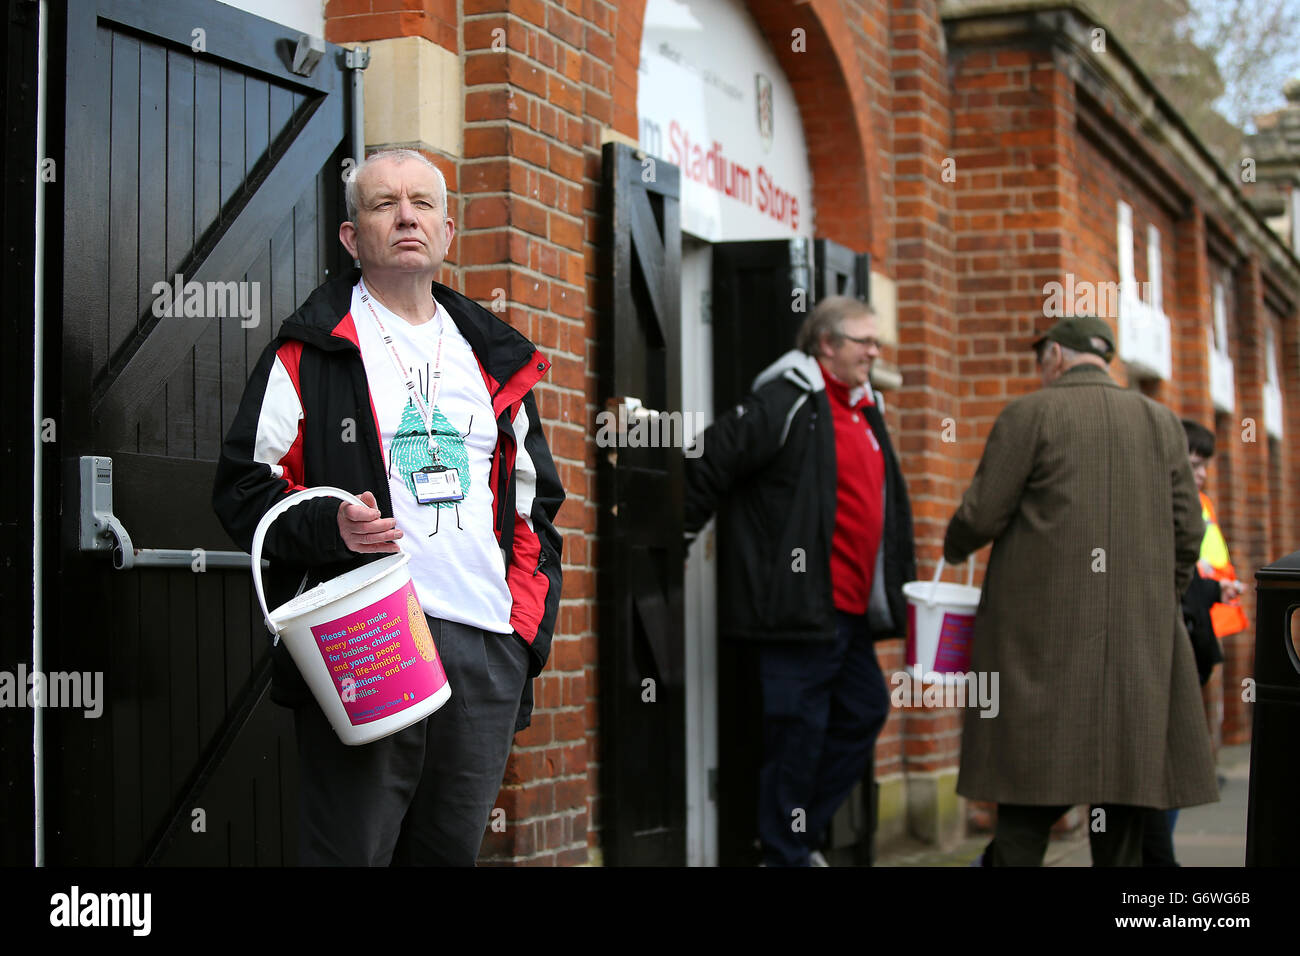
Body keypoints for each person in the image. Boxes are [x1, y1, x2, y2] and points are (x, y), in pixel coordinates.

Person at [212, 149, 564, 865]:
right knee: (351, 853)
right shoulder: (309, 351)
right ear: (352, 237)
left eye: (422, 203)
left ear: (447, 230)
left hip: (486, 642)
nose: (406, 216)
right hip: (367, 633)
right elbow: (243, 488)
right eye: (383, 204)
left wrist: (524, 630)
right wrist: (330, 527)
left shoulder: (493, 356)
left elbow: (533, 510)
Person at [944, 315, 1218, 867]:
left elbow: (981, 513)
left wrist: (953, 546)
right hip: (1136, 648)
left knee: (1024, 802)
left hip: (1038, 646)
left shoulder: (1031, 414)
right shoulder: (1162, 422)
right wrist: (1158, 599)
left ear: (1054, 357)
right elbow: (1189, 530)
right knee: (1122, 808)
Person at [684, 296, 916, 867]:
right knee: (797, 736)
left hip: (851, 612)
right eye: (862, 340)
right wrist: (673, 546)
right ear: (826, 345)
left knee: (862, 712)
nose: (873, 350)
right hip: (798, 605)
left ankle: (795, 839)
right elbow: (711, 460)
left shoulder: (866, 408)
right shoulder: (786, 398)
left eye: (875, 340)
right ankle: (785, 851)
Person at [1141, 419, 1246, 866]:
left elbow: (1196, 570)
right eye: (1196, 462)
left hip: (1193, 636)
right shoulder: (1161, 505)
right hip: (1169, 643)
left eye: (1206, 464)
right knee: (1170, 761)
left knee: (1174, 761)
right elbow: (1168, 576)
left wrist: (1215, 590)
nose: (1202, 473)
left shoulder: (1195, 505)